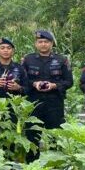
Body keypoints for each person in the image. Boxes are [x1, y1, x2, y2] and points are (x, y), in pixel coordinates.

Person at [22, 30, 73, 161]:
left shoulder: (62, 60)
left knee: (55, 135)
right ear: (36, 43)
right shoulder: (28, 60)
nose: (43, 44)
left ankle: (55, 166)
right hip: (33, 104)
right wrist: (34, 84)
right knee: (32, 136)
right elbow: (22, 80)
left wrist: (54, 85)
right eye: (40, 42)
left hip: (54, 104)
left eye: (46, 42)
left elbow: (69, 82)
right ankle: (32, 167)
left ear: (52, 44)